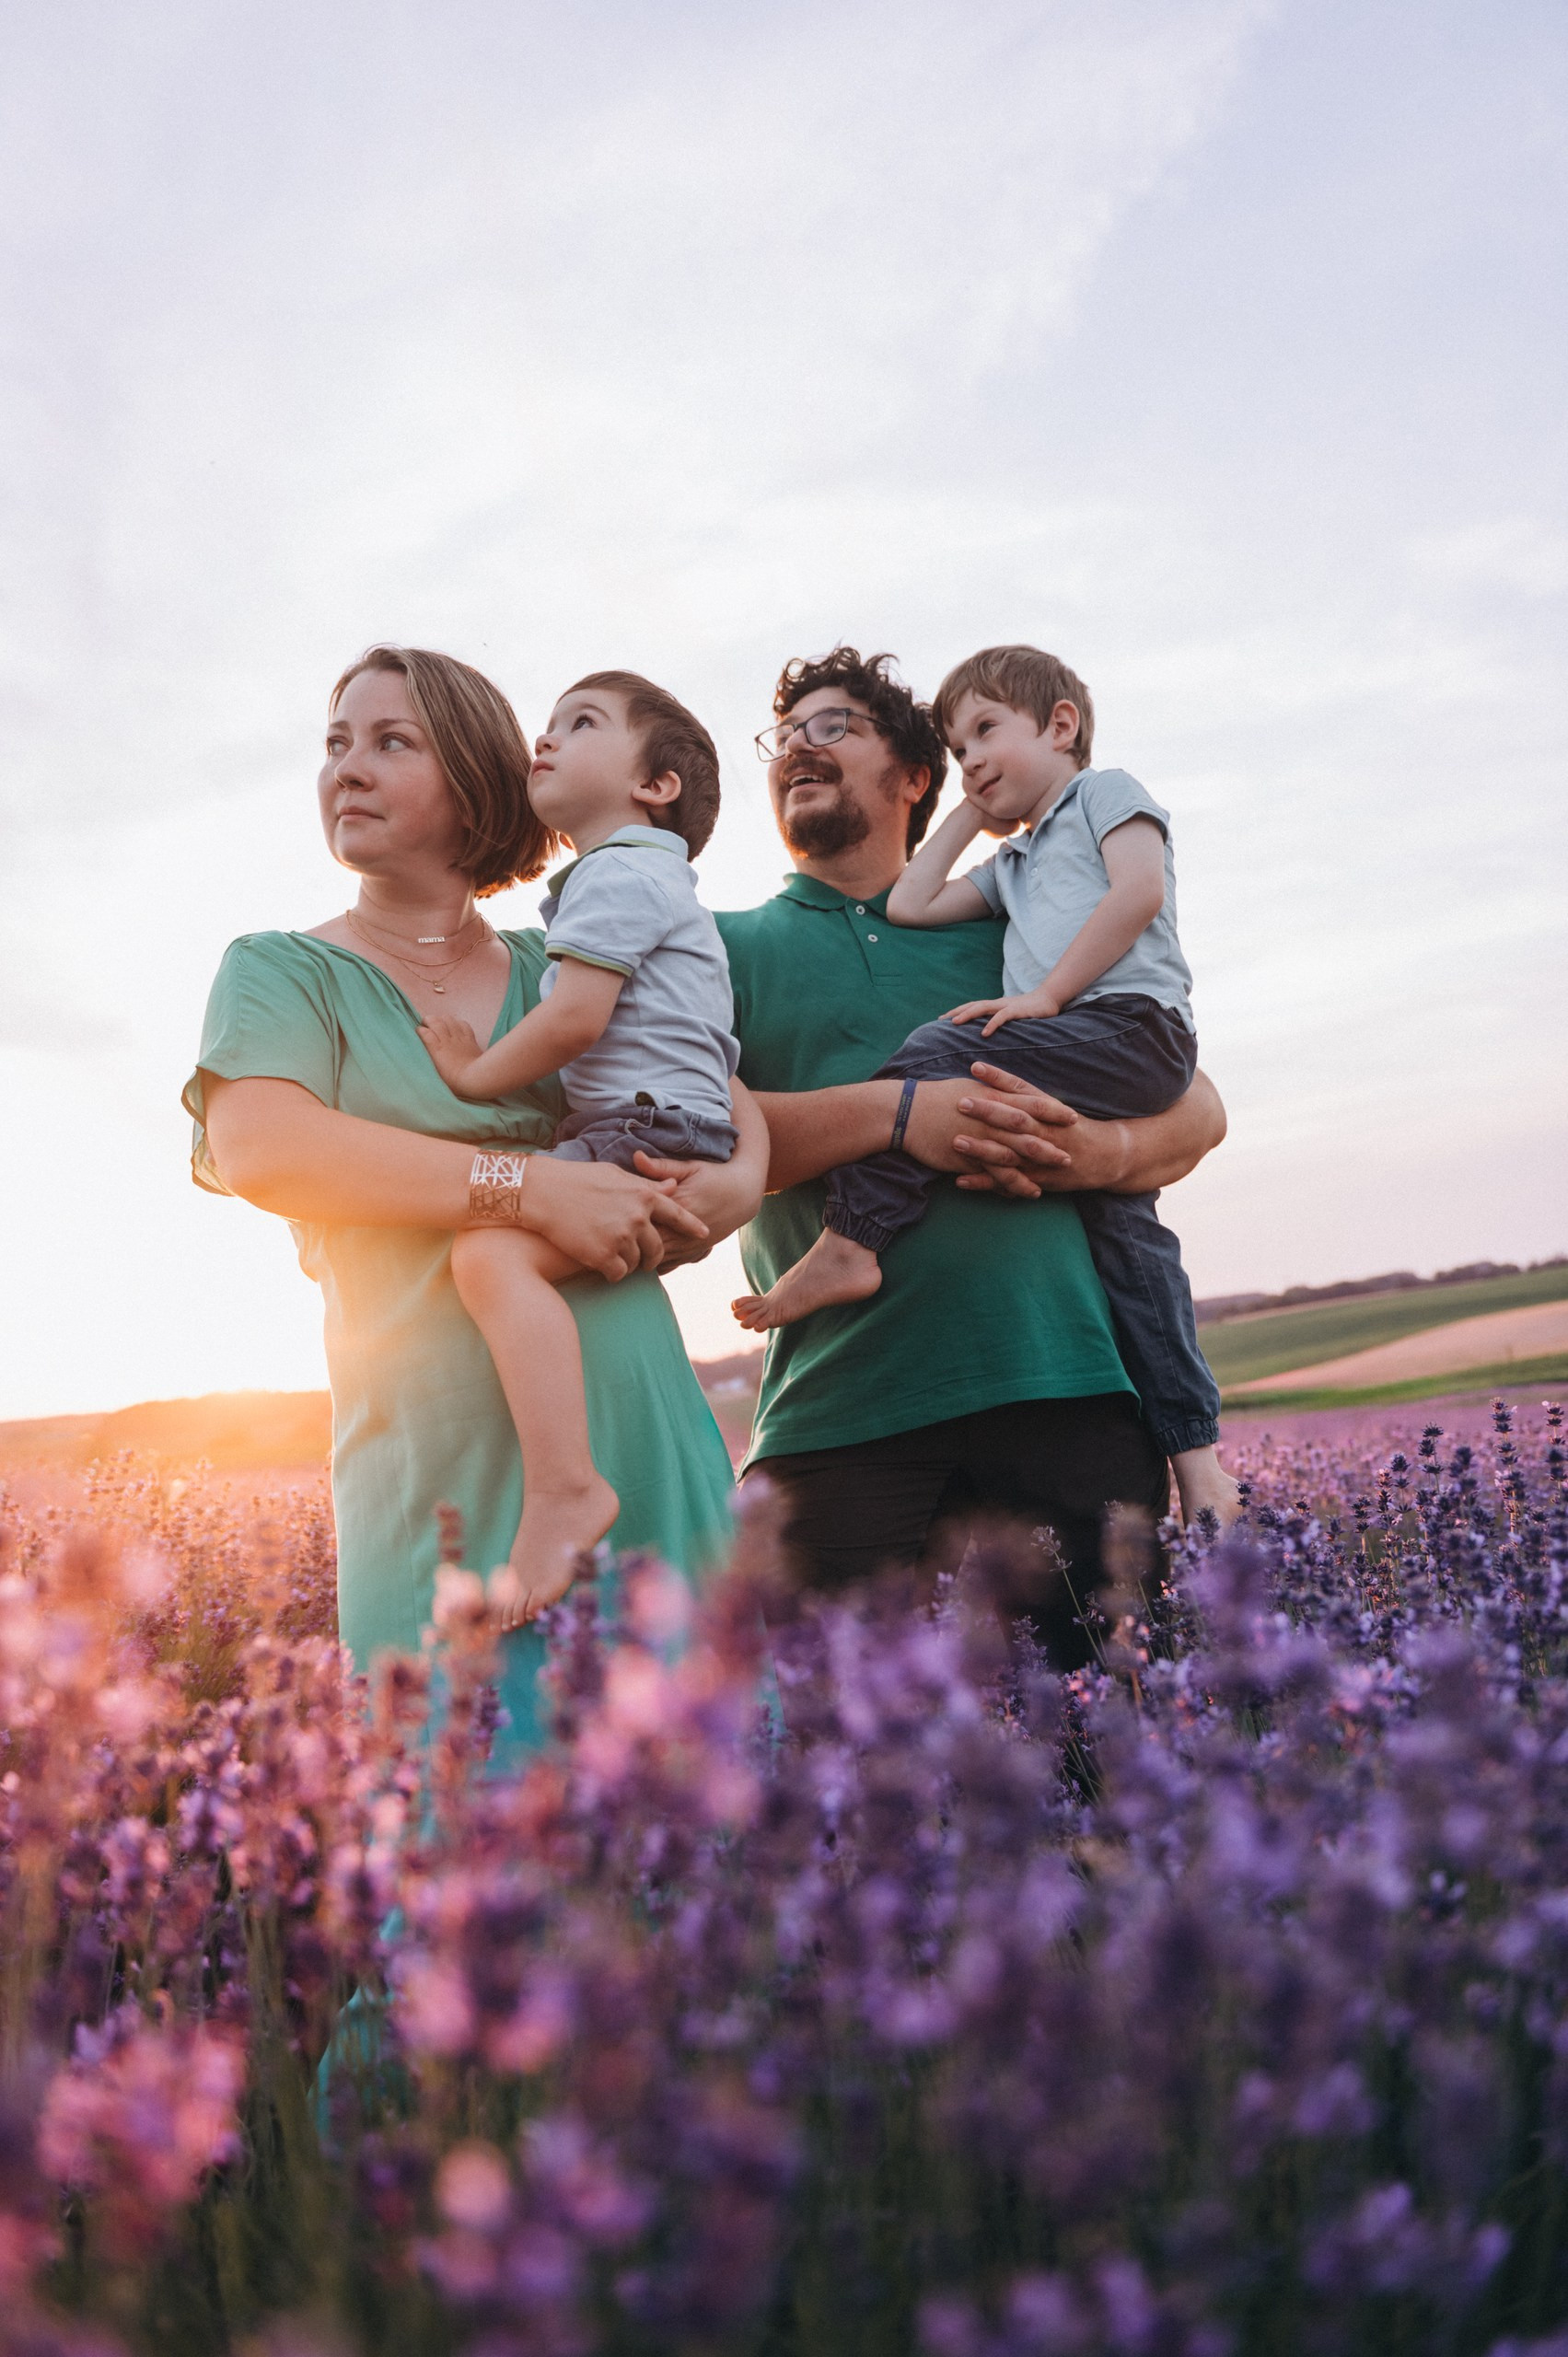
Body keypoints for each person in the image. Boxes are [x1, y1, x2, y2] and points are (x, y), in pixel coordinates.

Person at [185, 644, 765, 1757]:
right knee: (469, 1865)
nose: (346, 768)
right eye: (335, 744)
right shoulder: (280, 972)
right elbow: (260, 1144)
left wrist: (737, 1181)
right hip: (442, 1495)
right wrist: (527, 1184)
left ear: (477, 779)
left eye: (389, 741)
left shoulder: (567, 959)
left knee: (708, 1873)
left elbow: (724, 1086)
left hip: (646, 1453)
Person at [715, 647, 1226, 1662]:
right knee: (824, 1771)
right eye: (785, 737)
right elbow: (704, 1136)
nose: (797, 752)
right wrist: (902, 1117)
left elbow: (1194, 1103)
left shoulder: (1015, 922)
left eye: (833, 728)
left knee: (1104, 1760)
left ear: (915, 776)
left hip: (1066, 1388)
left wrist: (1097, 1149)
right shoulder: (720, 947)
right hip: (836, 1407)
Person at [415, 670, 742, 1621]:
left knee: (488, 1248)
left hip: (638, 1126)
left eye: (581, 722)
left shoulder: (617, 870)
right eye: (547, 725)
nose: (544, 739)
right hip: (674, 1122)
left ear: (657, 786)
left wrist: (474, 1073)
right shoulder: (650, 881)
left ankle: (564, 1484)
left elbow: (573, 1019)